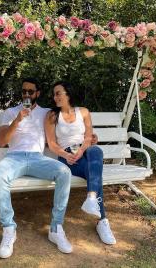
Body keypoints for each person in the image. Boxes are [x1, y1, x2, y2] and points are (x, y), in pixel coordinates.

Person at [0, 78, 73, 259]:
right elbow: (1, 142)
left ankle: (56, 228)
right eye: (24, 92)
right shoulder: (11, 112)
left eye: (30, 92)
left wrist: (89, 136)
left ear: (37, 93)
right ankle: (9, 229)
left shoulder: (46, 113)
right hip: (14, 158)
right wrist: (17, 120)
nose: (26, 95)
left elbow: (69, 124)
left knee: (64, 172)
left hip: (38, 159)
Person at [44, 80, 116, 245]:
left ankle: (92, 198)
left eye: (58, 93)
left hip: (85, 152)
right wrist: (66, 154)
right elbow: (52, 143)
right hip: (67, 156)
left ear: (68, 93)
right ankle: (102, 221)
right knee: (95, 175)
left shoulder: (83, 112)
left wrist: (82, 150)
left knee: (96, 150)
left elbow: (88, 137)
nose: (55, 97)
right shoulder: (52, 115)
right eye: (54, 94)